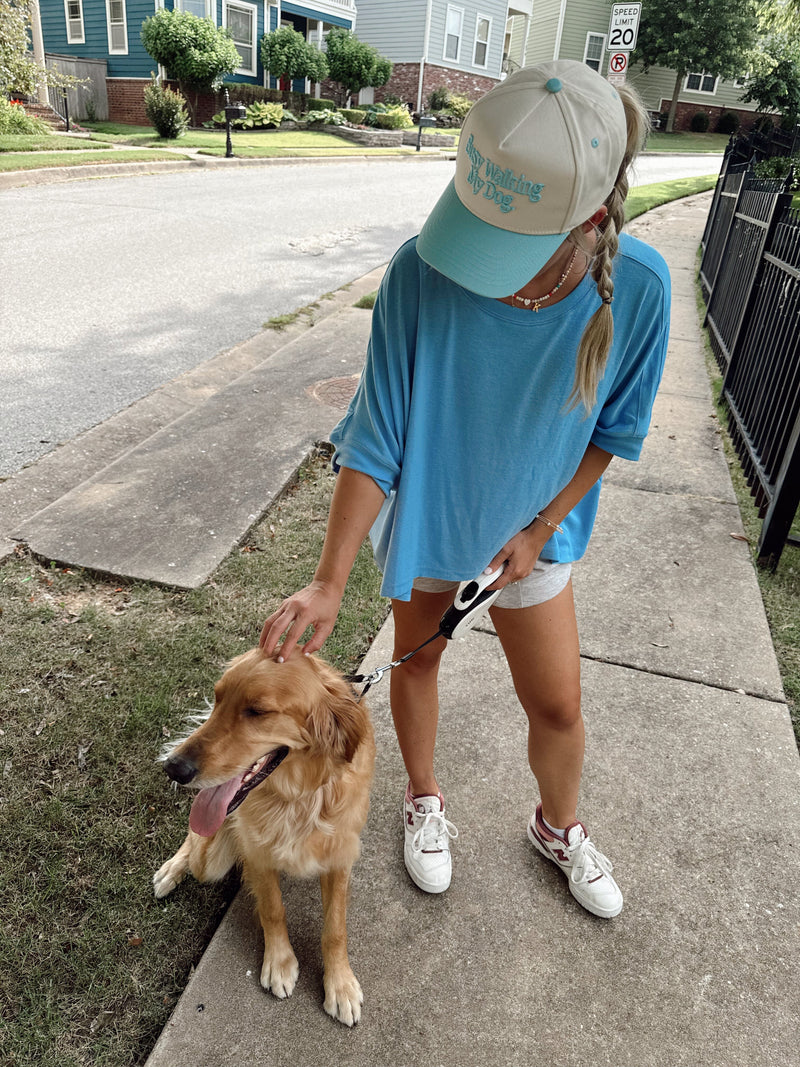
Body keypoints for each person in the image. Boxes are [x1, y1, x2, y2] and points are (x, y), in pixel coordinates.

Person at [260, 60, 670, 920]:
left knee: (557, 700)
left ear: (592, 217)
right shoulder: (421, 272)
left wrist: (542, 527)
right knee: (420, 657)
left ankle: (558, 826)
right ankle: (424, 796)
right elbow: (376, 437)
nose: (485, 265)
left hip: (533, 537)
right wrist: (330, 579)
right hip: (435, 518)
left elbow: (611, 436)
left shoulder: (640, 291)